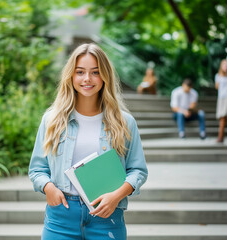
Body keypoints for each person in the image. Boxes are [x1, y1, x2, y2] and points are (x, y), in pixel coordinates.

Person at [28, 43, 148, 240]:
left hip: (107, 216)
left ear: (104, 76)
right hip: (61, 216)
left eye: (95, 72)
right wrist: (48, 188)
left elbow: (138, 171)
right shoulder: (51, 120)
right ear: (71, 76)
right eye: (80, 72)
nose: (87, 79)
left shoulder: (125, 122)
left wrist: (116, 196)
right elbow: (37, 169)